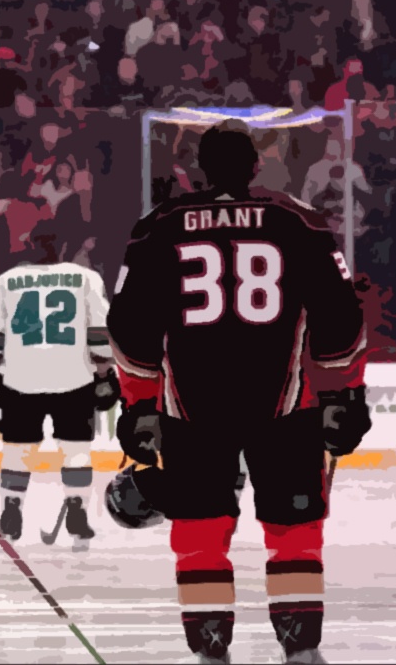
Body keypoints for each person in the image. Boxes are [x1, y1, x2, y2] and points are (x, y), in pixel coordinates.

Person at [105, 119, 370, 665]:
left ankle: (209, 650)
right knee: (293, 529)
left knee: (200, 530)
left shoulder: (160, 226)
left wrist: (139, 402)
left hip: (191, 410)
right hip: (286, 404)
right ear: (255, 166)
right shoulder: (299, 221)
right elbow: (340, 318)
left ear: (199, 169)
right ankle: (301, 652)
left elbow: (128, 328)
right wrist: (345, 393)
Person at [0, 231, 119, 546]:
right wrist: (104, 373)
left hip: (20, 379)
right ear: (64, 247)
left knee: (17, 451)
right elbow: (101, 335)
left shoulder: (7, 280)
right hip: (74, 377)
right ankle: (77, 511)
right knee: (76, 450)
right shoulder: (85, 278)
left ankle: (11, 512)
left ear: (26, 248)